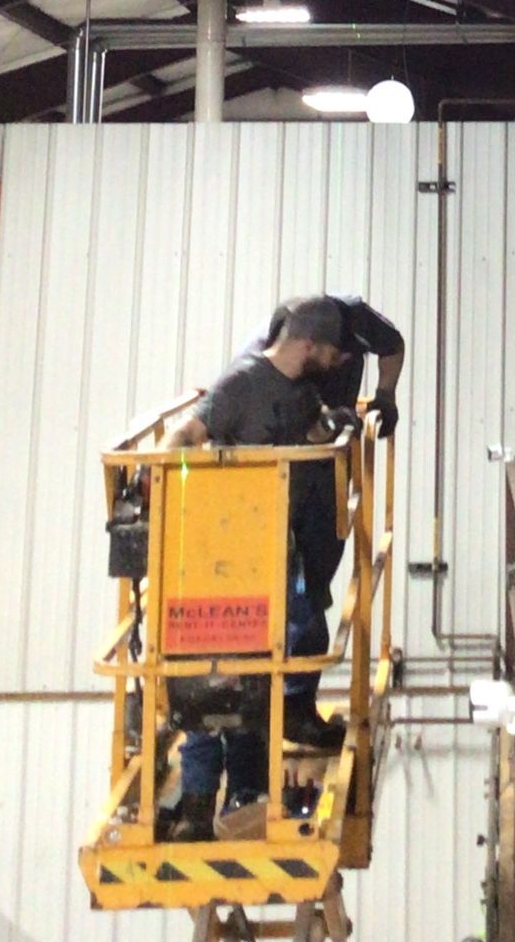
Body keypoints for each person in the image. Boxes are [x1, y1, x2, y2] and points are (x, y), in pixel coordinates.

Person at [162, 294, 404, 839]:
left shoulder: (300, 390)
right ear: (310, 344)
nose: (343, 366)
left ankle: (245, 796)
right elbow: (183, 438)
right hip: (227, 549)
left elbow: (310, 431)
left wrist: (335, 426)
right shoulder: (243, 381)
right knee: (208, 672)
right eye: (335, 357)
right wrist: (172, 491)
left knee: (258, 670)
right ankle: (200, 804)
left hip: (274, 543)